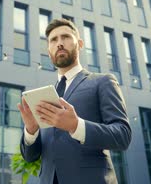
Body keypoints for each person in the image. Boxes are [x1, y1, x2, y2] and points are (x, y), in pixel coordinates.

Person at [17, 19, 131, 184]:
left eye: (66, 37)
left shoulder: (103, 81)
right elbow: (30, 156)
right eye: (53, 40)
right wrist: (31, 130)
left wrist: (76, 126)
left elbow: (123, 135)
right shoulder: (44, 97)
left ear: (80, 44)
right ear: (49, 51)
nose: (59, 43)